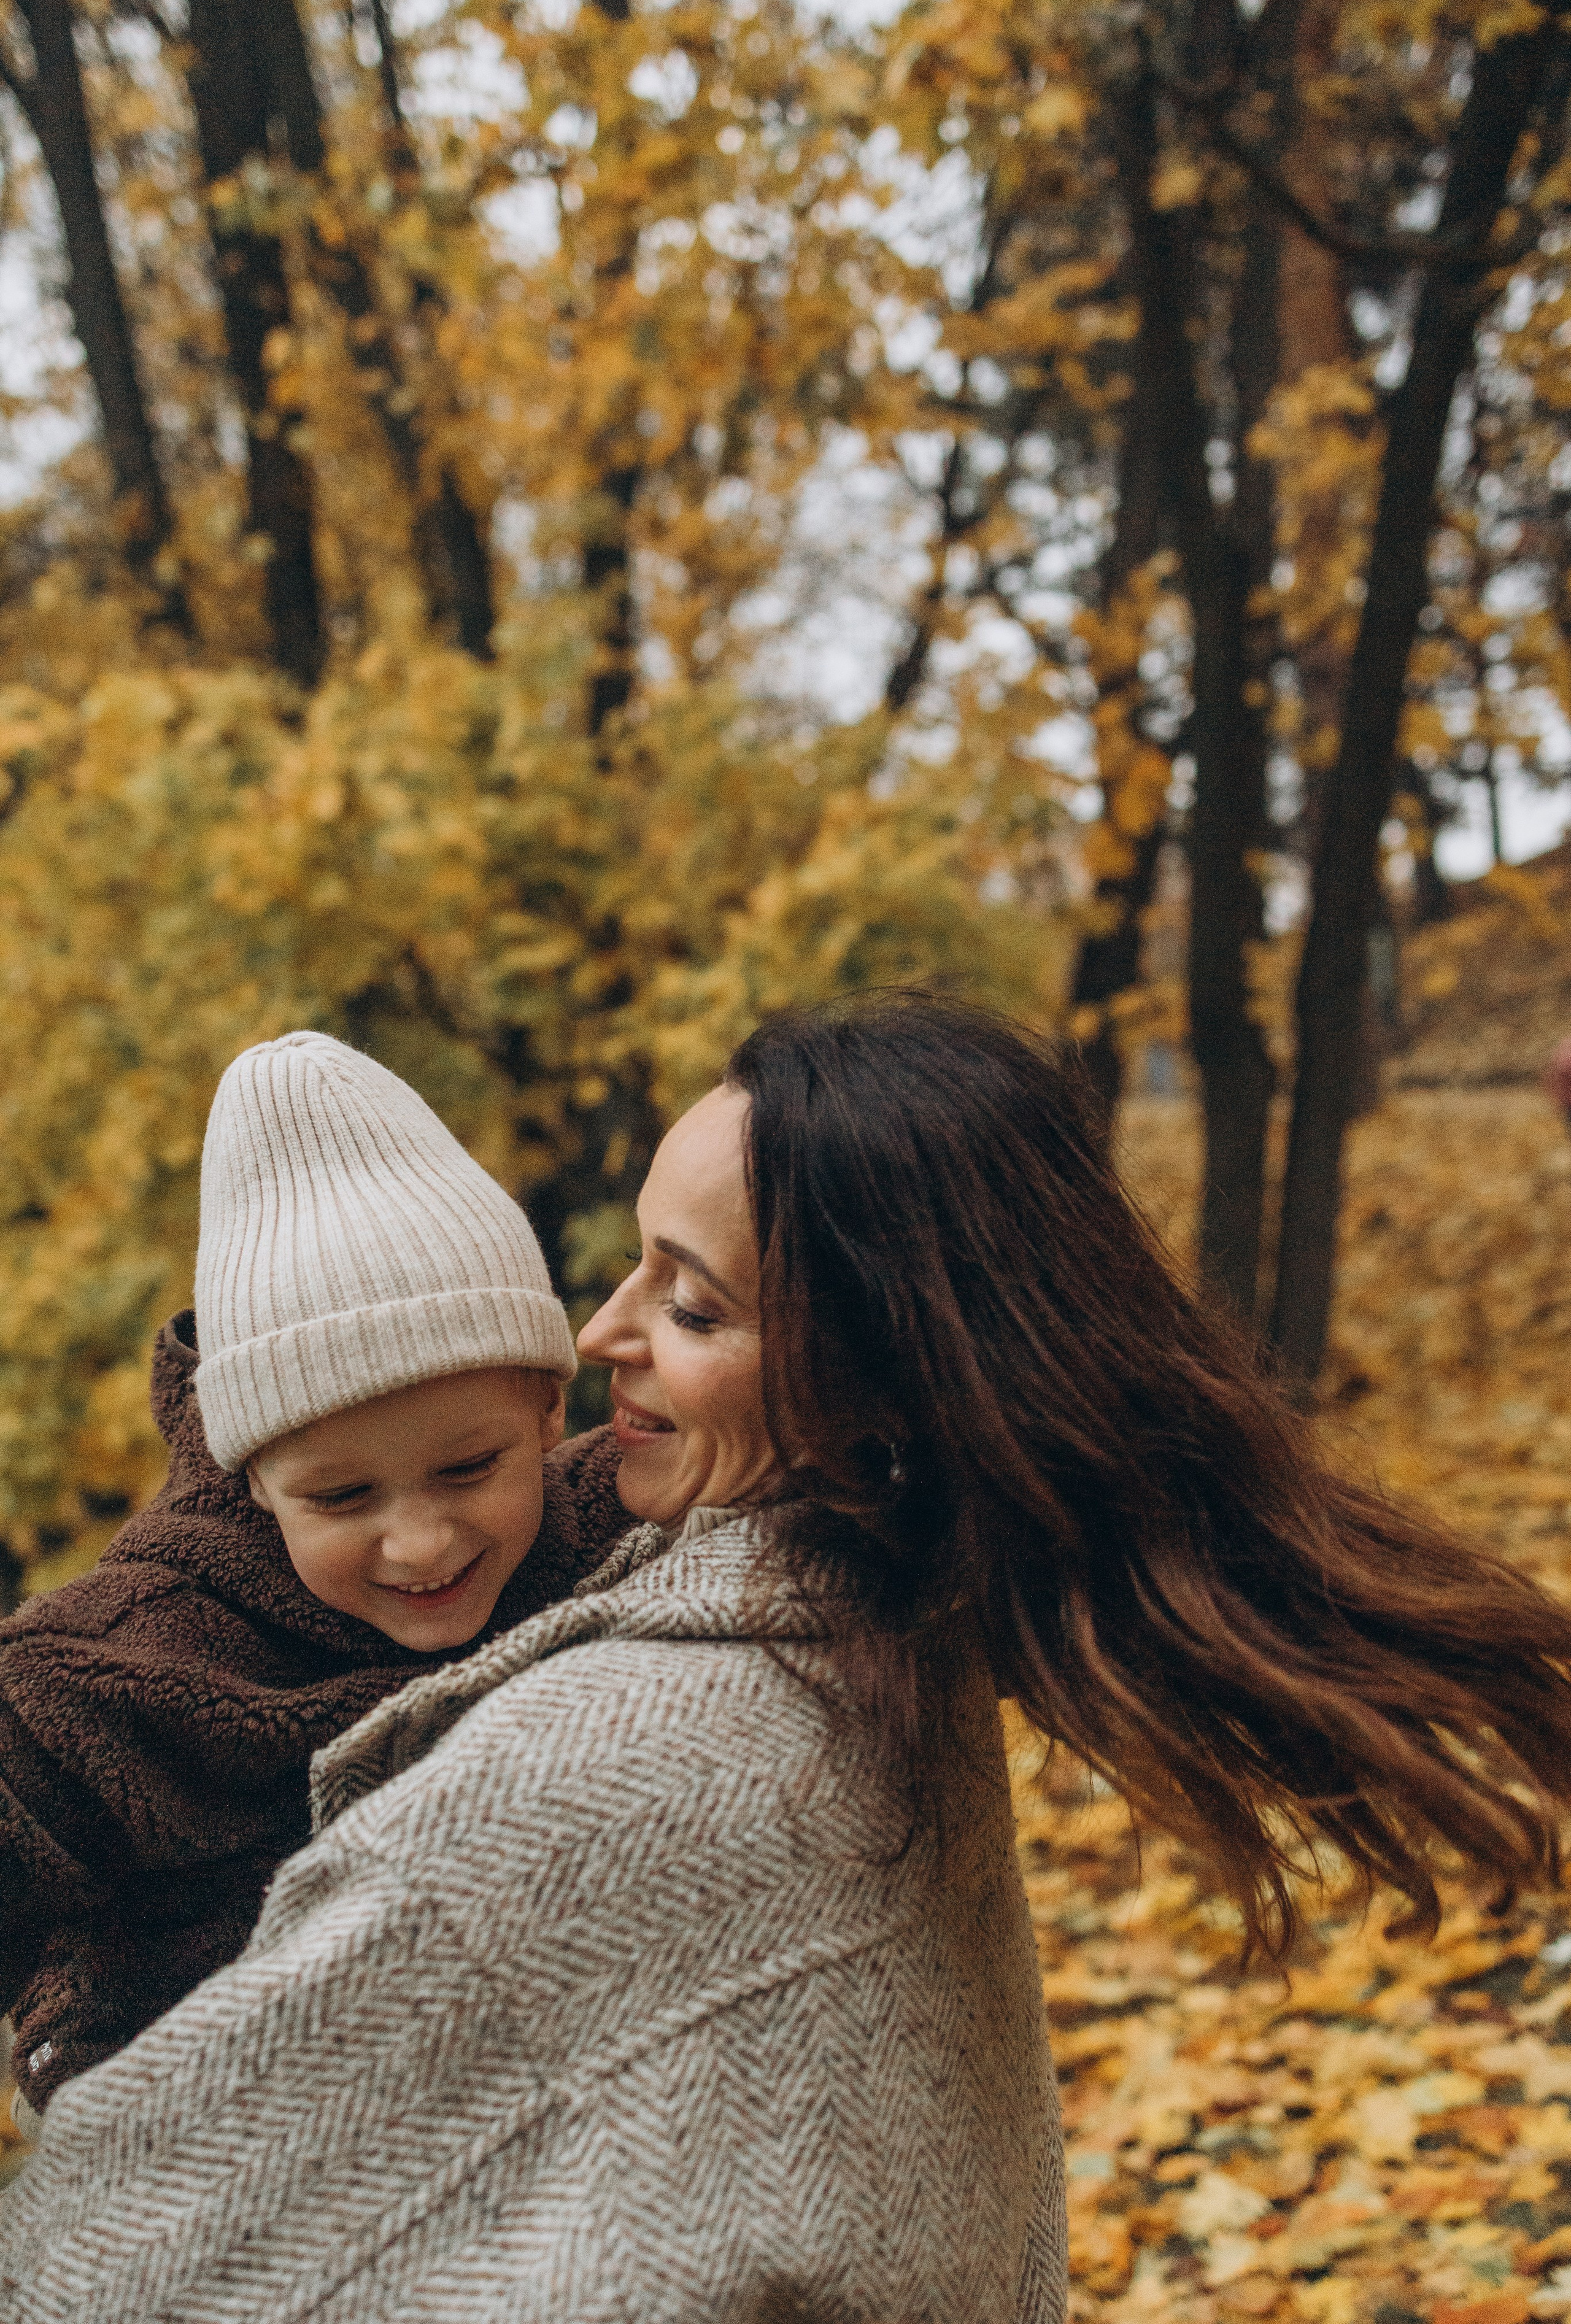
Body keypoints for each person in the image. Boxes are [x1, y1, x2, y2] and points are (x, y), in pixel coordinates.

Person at [9, 993, 1571, 2324]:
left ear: (873, 1369)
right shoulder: (882, 1615)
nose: (606, 1333)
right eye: (631, 1268)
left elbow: (99, 2266)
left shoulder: (601, 1776)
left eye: (689, 1305)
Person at [0, 1032, 629, 2129]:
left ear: (549, 1412)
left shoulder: (603, 1516)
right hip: (198, 2144)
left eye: (470, 1469)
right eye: (343, 1502)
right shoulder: (136, 1651)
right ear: (256, 1485)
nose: (421, 1544)